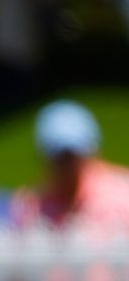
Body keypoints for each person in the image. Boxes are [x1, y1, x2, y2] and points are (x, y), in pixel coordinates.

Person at [11, 99, 129, 233]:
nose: (67, 165)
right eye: (60, 157)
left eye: (73, 156)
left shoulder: (124, 194)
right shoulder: (30, 206)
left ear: (93, 153)